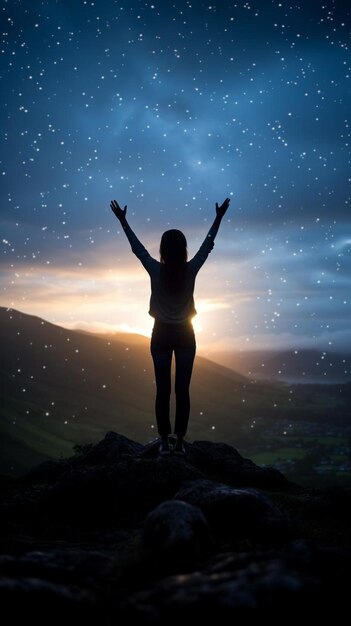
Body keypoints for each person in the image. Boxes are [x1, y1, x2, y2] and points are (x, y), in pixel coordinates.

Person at [110, 197, 230, 456]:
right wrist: (219, 217)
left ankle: (163, 442)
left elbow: (137, 249)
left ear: (163, 249)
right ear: (184, 249)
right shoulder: (191, 269)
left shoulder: (155, 269)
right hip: (186, 334)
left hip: (161, 334)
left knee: (162, 390)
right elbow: (208, 246)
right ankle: (179, 443)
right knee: (182, 390)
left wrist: (123, 221)